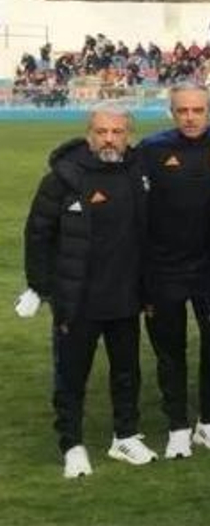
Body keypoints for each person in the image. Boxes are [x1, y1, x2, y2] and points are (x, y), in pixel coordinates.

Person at [25, 102, 156, 477]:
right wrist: (41, 287)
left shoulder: (138, 171)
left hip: (126, 297)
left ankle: (125, 436)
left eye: (117, 132)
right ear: (89, 134)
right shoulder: (62, 178)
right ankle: (72, 444)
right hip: (78, 300)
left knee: (127, 372)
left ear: (128, 135)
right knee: (71, 376)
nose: (109, 139)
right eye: (102, 132)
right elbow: (38, 235)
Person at [136, 83, 210, 458]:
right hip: (164, 270)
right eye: (183, 111)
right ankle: (178, 426)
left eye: (198, 110)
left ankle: (209, 421)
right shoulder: (151, 150)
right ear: (171, 112)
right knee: (169, 352)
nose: (191, 117)